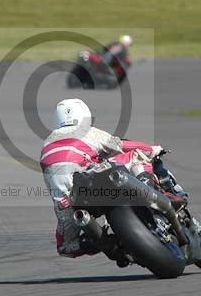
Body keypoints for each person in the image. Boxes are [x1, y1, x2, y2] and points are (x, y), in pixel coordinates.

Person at [40, 98, 173, 261]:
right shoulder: (88, 131)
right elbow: (122, 146)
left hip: (67, 201)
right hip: (93, 180)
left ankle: (106, 244)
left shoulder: (47, 143)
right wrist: (152, 149)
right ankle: (147, 187)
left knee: (65, 247)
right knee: (137, 155)